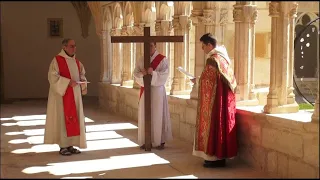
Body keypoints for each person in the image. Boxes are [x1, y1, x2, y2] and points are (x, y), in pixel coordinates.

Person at [191, 33, 237, 168]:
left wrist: (197, 81)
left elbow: (208, 81)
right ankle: (219, 157)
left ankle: (214, 158)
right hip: (222, 100)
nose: (202, 49)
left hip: (216, 102)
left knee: (214, 127)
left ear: (210, 45)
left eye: (203, 45)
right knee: (220, 126)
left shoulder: (213, 59)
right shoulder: (223, 58)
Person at [44, 38, 88, 156]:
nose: (74, 48)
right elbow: (52, 77)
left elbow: (82, 74)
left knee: (75, 119)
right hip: (62, 96)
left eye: (75, 45)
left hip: (75, 96)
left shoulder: (77, 62)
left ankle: (71, 144)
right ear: (64, 47)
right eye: (71, 46)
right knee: (63, 119)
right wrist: (68, 82)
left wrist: (83, 81)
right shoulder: (57, 60)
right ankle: (63, 146)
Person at [133, 42, 173, 150]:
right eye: (146, 46)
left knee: (158, 114)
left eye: (150, 45)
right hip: (145, 90)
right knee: (144, 114)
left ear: (155, 46)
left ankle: (159, 141)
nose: (148, 48)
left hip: (157, 91)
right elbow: (135, 74)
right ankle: (146, 140)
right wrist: (143, 75)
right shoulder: (141, 59)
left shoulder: (162, 59)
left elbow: (165, 75)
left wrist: (153, 73)